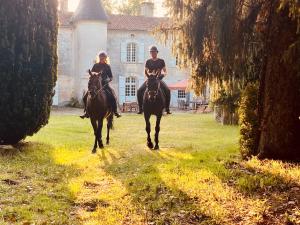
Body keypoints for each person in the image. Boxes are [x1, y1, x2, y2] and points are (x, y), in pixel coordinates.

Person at [80, 51, 121, 119]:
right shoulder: (96, 65)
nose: (102, 59)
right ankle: (86, 112)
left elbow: (111, 77)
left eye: (103, 58)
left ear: (105, 58)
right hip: (95, 85)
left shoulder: (107, 66)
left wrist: (108, 80)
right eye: (100, 58)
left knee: (112, 96)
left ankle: (115, 111)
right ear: (99, 58)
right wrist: (90, 73)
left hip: (104, 85)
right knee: (85, 97)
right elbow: (92, 74)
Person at [137, 46, 171, 114]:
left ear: (157, 52)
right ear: (150, 53)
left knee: (167, 90)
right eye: (151, 52)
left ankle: (167, 109)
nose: (153, 53)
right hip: (150, 79)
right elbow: (145, 71)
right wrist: (149, 74)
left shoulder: (161, 61)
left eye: (154, 52)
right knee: (139, 90)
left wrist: (162, 75)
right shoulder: (148, 61)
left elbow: (165, 71)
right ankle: (140, 109)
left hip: (158, 79)